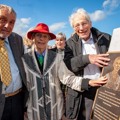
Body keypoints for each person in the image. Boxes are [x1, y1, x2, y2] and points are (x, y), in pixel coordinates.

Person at [22, 23, 108, 120]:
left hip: (55, 110)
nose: (41, 39)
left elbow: (67, 78)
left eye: (45, 36)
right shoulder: (24, 59)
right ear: (33, 37)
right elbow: (22, 86)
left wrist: (88, 82)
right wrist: (23, 108)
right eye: (38, 35)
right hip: (33, 111)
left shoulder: (56, 58)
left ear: (48, 39)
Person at [64, 8, 111, 120]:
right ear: (73, 28)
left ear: (90, 23)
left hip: (104, 89)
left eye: (84, 23)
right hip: (82, 92)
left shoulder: (106, 38)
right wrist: (88, 58)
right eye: (77, 25)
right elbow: (69, 65)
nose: (81, 28)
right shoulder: (69, 44)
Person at [0, 4, 28, 120]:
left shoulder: (17, 39)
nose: (7, 26)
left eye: (12, 22)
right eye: (3, 20)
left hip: (18, 99)